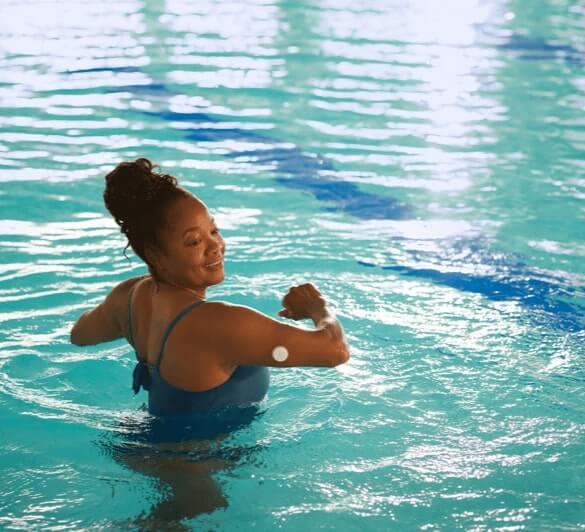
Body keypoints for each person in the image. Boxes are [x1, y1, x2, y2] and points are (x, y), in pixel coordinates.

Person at [70, 158, 350, 419]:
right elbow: (335, 350)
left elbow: (79, 334)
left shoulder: (127, 298)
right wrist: (316, 305)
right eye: (193, 241)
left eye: (213, 231)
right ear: (154, 255)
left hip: (143, 445)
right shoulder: (220, 323)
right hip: (199, 468)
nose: (215, 245)